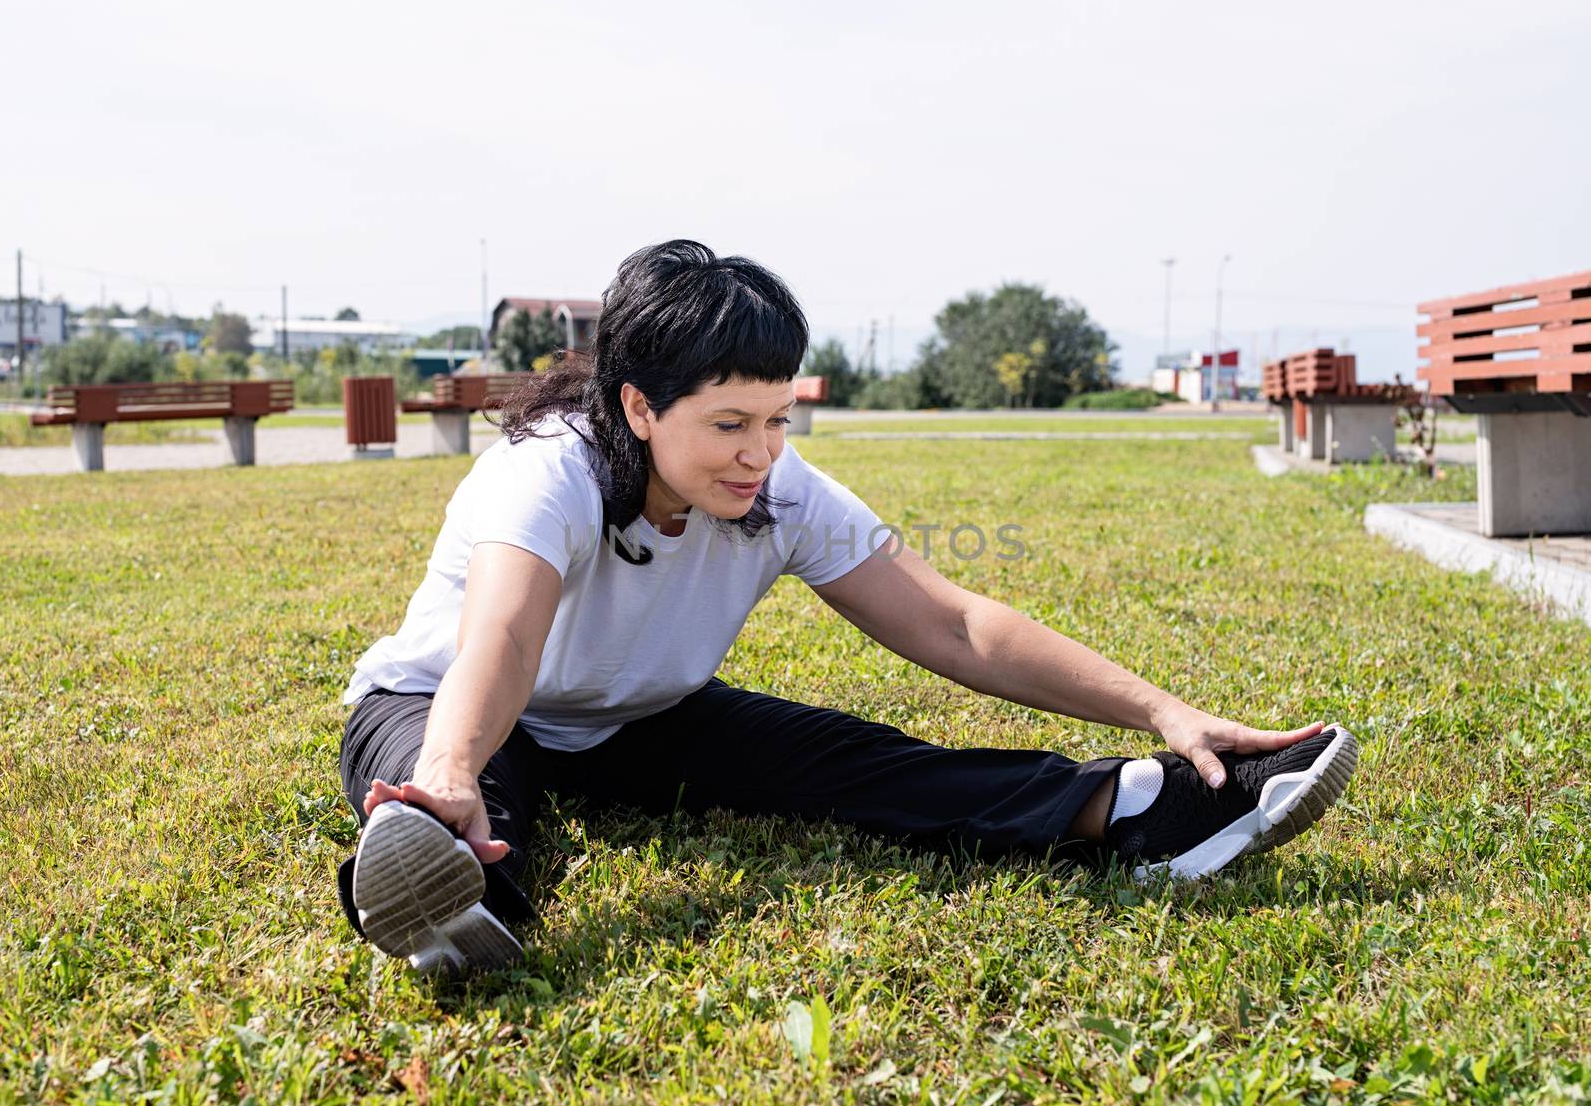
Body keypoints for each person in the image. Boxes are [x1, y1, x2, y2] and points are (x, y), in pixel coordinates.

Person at [334, 239, 1357, 975]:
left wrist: (1159, 709)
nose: (760, 452)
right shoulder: (547, 473)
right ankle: (457, 906)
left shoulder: (778, 493)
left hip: (636, 722)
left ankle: (1139, 806)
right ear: (639, 407)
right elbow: (505, 638)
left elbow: (953, 626)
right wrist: (451, 766)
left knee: (848, 756)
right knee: (474, 802)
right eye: (729, 422)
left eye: (778, 419)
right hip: (439, 705)